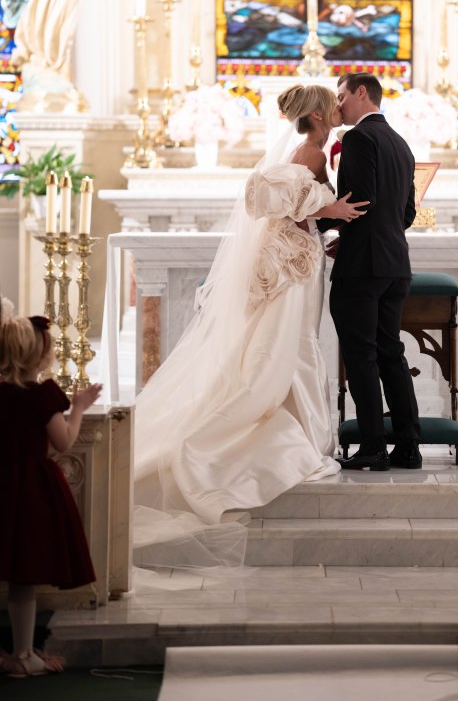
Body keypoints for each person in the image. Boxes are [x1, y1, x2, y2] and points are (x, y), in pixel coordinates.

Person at [134, 84, 368, 527]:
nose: (339, 108)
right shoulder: (312, 153)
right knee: (289, 343)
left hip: (295, 256)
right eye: (332, 104)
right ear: (317, 115)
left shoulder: (307, 149)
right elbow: (295, 209)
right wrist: (331, 211)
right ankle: (273, 429)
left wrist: (323, 221)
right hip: (295, 263)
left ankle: (293, 423)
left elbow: (294, 204)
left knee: (287, 342)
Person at [0, 302, 102, 678]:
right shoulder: (42, 395)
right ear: (37, 356)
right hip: (29, 492)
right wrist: (77, 406)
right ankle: (24, 654)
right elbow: (63, 442)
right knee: (22, 578)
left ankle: (15, 655)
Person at [325, 72, 421, 471]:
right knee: (390, 354)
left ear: (361, 92)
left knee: (361, 356)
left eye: (342, 96)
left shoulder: (359, 139)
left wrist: (327, 227)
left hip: (363, 266)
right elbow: (408, 213)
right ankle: (408, 448)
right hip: (395, 263)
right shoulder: (401, 143)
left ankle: (372, 447)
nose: (339, 105)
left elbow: (358, 201)